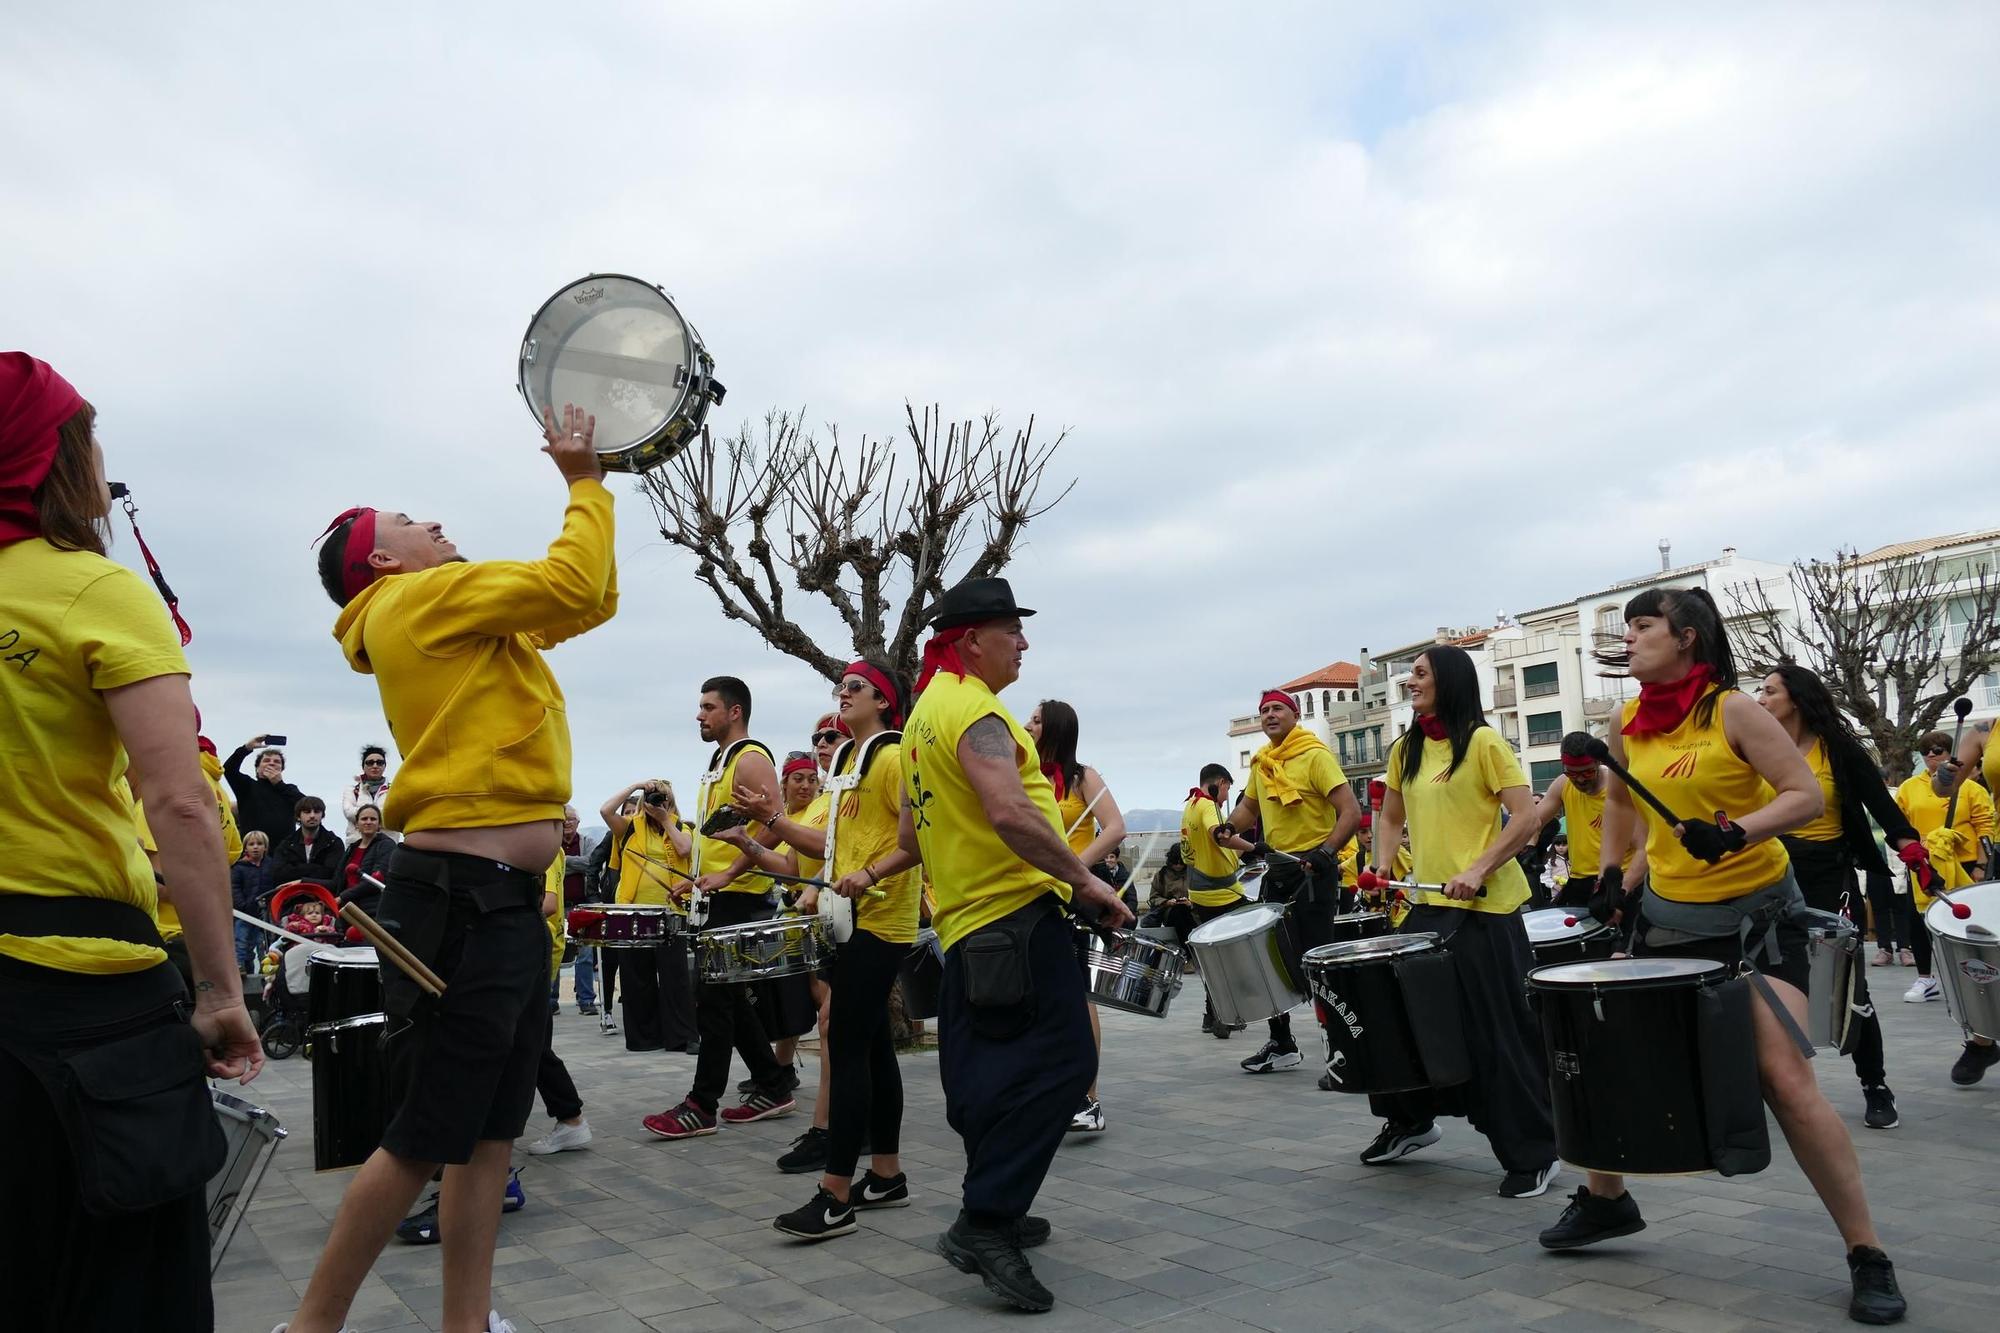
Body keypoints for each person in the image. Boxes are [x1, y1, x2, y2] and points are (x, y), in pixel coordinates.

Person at [280, 402, 616, 1333]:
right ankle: (309, 1326)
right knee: (429, 1133)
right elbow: (574, 573)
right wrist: (584, 480)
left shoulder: (447, 617)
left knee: (488, 1134)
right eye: (406, 524)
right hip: (461, 908)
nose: (429, 523)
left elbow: (584, 599)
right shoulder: (416, 600)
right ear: (381, 563)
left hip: (497, 908)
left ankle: (466, 1323)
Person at [1536, 587, 1905, 1326]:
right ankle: (1607, 1200)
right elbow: (1621, 802)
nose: (1631, 639)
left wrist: (1738, 831)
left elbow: (1803, 796)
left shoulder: (1734, 710)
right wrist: (1614, 872)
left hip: (1757, 924)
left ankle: (1867, 1252)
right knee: (1606, 1056)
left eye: (1644, 626)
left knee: (1783, 1078)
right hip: (1669, 922)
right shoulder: (1629, 719)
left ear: (1688, 636)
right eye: (1631, 628)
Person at [0, 351, 263, 1331]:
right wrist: (221, 992)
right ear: (52, 459)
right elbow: (180, 803)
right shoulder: (89, 588)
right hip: (86, 1007)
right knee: (129, 1289)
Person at [901, 577, 1133, 1310]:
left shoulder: (922, 717)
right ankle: (986, 1219)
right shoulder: (976, 711)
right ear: (972, 639)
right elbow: (1007, 811)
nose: (1024, 643)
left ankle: (995, 1202)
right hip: (1015, 917)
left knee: (984, 1079)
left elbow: (913, 835)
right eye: (1012, 630)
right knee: (1067, 1065)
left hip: (965, 925)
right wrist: (1084, 881)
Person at [1363, 646, 1558, 1198]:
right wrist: (1381, 863)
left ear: (1448, 679)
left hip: (1486, 909)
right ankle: (1411, 1122)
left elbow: (1526, 819)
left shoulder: (1485, 743)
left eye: (1420, 674)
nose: (1410, 683)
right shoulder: (1407, 749)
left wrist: (1478, 867)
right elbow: (1392, 815)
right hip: (1428, 906)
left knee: (1498, 1034)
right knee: (1399, 1020)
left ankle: (1535, 1152)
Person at [768, 659, 925, 1240]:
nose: (843, 693)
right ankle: (886, 1174)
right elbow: (831, 843)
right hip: (847, 920)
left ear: (884, 701)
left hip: (881, 921)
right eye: (841, 686)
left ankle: (835, 1195)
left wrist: (870, 873)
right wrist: (772, 824)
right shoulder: (847, 761)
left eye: (855, 687)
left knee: (849, 1047)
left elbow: (918, 841)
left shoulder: (892, 756)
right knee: (875, 1049)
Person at [1759, 663, 1926, 1127]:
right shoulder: (1751, 749)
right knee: (1757, 983)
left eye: (1769, 691)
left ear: (1795, 698)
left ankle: (1875, 1084)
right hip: (1767, 877)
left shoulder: (1837, 749)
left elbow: (1880, 802)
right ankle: (1762, 1087)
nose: (1760, 699)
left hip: (1828, 877)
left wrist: (1907, 843)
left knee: (1849, 984)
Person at [642, 676, 796, 1138]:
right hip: (717, 896)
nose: (699, 715)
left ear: (734, 712)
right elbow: (715, 839)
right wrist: (697, 884)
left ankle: (701, 1104)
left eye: (708, 707)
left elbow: (778, 823)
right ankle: (772, 1083)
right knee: (727, 998)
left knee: (712, 1000)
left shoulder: (750, 759)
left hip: (741, 896)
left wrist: (728, 876)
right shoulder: (720, 761)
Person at [1222, 688, 1362, 1074]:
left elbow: (1351, 812)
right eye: (1264, 709)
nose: (1269, 715)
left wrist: (1326, 852)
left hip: (1314, 868)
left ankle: (1341, 1048)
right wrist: (1230, 826)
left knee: (1316, 961)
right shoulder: (1263, 763)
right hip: (1278, 868)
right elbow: (1250, 807)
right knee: (1270, 960)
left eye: (1278, 708)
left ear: (1294, 714)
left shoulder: (1315, 756)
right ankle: (1282, 1044)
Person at [1026, 698, 1127, 1133]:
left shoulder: (1082, 777)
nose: (1026, 725)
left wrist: (1076, 867)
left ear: (1057, 729)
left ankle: (1088, 1097)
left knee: (1077, 995)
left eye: (1035, 720)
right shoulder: (1021, 774)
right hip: (1030, 892)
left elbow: (1115, 827)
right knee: (1036, 994)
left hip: (1071, 894)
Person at [1894, 732, 1996, 1010]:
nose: (1930, 755)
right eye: (1924, 750)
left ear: (1952, 752)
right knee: (1918, 921)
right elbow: (1899, 823)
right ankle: (1925, 978)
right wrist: (1910, 853)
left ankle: (1973, 976)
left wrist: (1980, 865)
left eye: (1937, 749)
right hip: (1923, 861)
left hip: (1962, 862)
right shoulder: (1908, 787)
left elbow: (1984, 827)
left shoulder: (1971, 788)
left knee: (1965, 924)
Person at [598, 781, 697, 1053]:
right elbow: (606, 810)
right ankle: (644, 1037)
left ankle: (681, 1037)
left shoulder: (681, 826)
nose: (657, 803)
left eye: (663, 799)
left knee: (674, 977)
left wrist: (665, 820)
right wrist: (637, 785)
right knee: (636, 977)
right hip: (633, 911)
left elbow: (685, 850)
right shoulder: (630, 827)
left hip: (671, 911)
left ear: (671, 803)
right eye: (652, 799)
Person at [1178, 763, 1252, 1037]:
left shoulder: (1189, 806)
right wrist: (1254, 847)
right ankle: (1226, 1015)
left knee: (1213, 957)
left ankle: (1211, 1015)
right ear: (1219, 783)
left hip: (1199, 893)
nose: (1226, 796)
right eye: (1227, 789)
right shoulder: (1208, 806)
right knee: (1235, 955)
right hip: (1222, 894)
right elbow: (1220, 838)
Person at [527, 855, 592, 1156]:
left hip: (534, 955)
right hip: (529, 954)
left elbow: (549, 903)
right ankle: (570, 1118)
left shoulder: (545, 852)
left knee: (533, 1043)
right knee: (532, 1043)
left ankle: (571, 1118)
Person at [1528, 733, 1611, 909]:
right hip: (1580, 878)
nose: (1580, 779)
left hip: (1618, 878)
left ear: (1598, 762)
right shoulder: (1563, 784)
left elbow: (1643, 846)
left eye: (1588, 772)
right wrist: (1528, 846)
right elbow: (1532, 822)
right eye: (1572, 773)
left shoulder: (1617, 787)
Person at [224, 737, 305, 844]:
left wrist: (279, 784)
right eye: (266, 761)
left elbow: (307, 806)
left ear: (281, 769)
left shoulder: (289, 790)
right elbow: (229, 769)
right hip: (253, 851)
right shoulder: (247, 786)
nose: (271, 764)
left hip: (284, 854)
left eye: (277, 762)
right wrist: (247, 748)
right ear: (257, 768)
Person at [555, 805, 596, 1015]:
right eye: (563, 820)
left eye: (571, 819)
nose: (567, 823)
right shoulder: (551, 843)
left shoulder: (587, 842)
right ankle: (551, 1002)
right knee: (556, 952)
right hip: (558, 906)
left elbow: (591, 863)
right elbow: (549, 862)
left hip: (582, 905)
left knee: (586, 955)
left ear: (578, 822)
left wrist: (563, 861)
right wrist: (574, 865)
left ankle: (586, 1000)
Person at [335, 803, 397, 917]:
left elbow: (375, 882)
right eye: (364, 819)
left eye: (373, 819)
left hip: (371, 911)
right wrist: (303, 881)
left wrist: (342, 897)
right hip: (347, 910)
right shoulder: (351, 848)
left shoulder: (386, 845)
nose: (368, 822)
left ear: (379, 824)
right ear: (356, 824)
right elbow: (337, 881)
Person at [270, 795, 344, 890]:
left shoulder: (333, 842)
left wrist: (301, 878)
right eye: (307, 812)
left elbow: (331, 875)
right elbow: (278, 874)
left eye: (316, 812)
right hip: (292, 896)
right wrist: (314, 869)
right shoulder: (286, 844)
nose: (312, 815)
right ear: (298, 816)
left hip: (323, 896)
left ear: (322, 815)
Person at [233, 830, 278, 972]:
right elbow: (234, 888)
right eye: (251, 844)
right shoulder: (239, 867)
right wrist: (242, 906)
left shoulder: (271, 866)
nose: (255, 847)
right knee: (241, 942)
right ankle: (240, 968)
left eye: (259, 844)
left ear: (265, 847)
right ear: (245, 847)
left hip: (264, 914)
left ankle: (265, 970)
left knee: (263, 943)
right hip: (244, 914)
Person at [341, 744, 394, 839]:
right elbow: (349, 813)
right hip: (357, 845)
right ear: (363, 766)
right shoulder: (352, 790)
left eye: (379, 762)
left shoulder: (394, 790)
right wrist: (380, 816)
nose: (375, 766)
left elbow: (395, 815)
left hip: (387, 846)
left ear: (385, 766)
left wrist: (363, 817)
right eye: (370, 762)